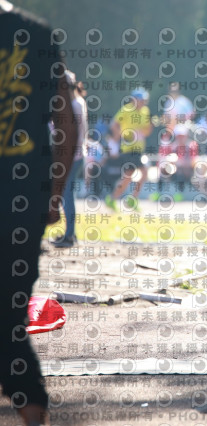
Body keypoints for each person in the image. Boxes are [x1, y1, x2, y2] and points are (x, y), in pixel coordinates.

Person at [1, 3, 77, 424]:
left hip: (23, 200)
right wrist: (55, 194)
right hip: (25, 199)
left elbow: (65, 118)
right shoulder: (38, 33)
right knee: (10, 319)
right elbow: (65, 118)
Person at [52, 71, 88, 248]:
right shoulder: (76, 102)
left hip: (73, 155)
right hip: (74, 154)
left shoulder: (75, 104)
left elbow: (71, 132)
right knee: (66, 194)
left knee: (66, 195)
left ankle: (69, 234)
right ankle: (69, 233)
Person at [104, 87, 152, 211]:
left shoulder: (145, 111)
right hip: (128, 149)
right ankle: (127, 199)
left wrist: (146, 129)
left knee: (131, 175)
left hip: (139, 149)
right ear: (133, 99)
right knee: (138, 173)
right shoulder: (126, 109)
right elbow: (114, 124)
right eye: (141, 99)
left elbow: (147, 130)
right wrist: (119, 135)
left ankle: (117, 198)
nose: (143, 102)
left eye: (144, 100)